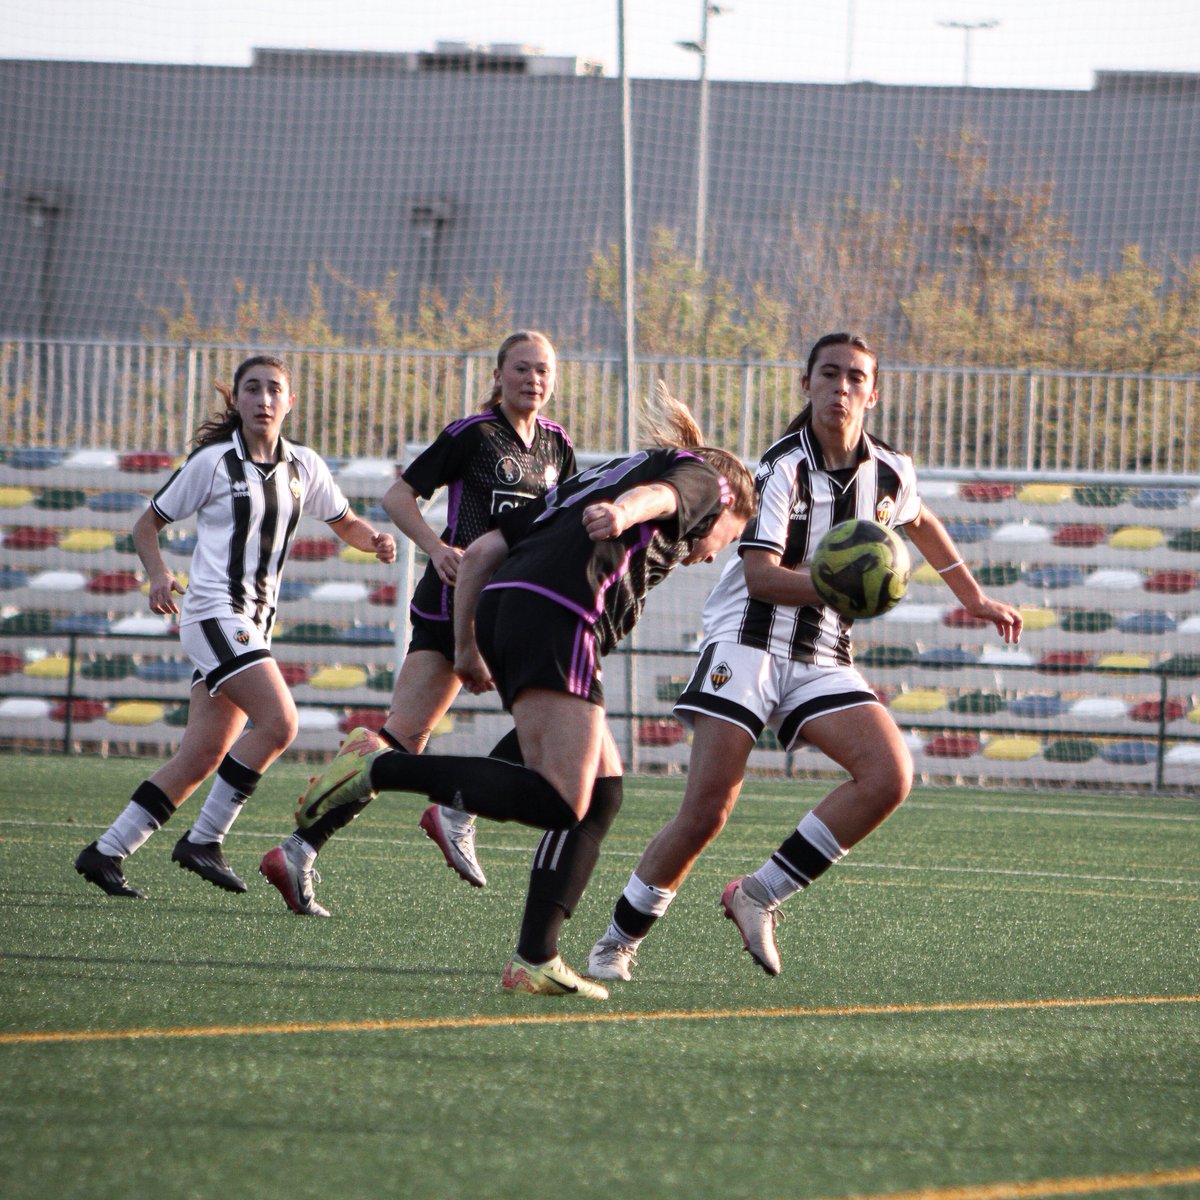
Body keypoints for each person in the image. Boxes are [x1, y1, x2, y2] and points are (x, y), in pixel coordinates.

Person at [585, 332, 1024, 982]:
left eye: (855, 377)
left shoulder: (890, 471)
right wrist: (838, 583)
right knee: (707, 810)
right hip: (747, 639)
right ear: (807, 384)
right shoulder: (783, 465)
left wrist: (976, 597)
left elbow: (922, 521)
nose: (841, 387)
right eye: (829, 374)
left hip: (821, 648)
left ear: (872, 393)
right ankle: (617, 941)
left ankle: (758, 893)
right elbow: (760, 578)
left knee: (888, 775)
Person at [293, 386, 757, 997]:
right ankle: (383, 768)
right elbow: (665, 497)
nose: (715, 551)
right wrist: (626, 516)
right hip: (560, 614)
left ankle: (535, 956)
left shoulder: (588, 480)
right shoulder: (706, 479)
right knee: (564, 800)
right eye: (730, 536)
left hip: (509, 609)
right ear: (729, 504)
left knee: (603, 792)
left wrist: (466, 646)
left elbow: (483, 550)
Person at [258, 331, 576, 915]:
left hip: (513, 606)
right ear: (500, 375)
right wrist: (435, 546)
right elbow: (399, 495)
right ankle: (455, 808)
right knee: (551, 714)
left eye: (544, 371)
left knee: (408, 740)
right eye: (522, 369)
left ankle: (299, 848)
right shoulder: (472, 434)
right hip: (457, 600)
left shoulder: (557, 445)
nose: (534, 379)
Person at [74, 355, 396, 898]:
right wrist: (157, 574)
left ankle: (105, 852)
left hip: (253, 624)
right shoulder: (215, 462)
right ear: (238, 403)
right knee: (280, 723)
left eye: (275, 389)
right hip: (213, 614)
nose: (264, 399)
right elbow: (147, 523)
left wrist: (376, 541)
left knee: (201, 754)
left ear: (290, 402)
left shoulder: (305, 467)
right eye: (253, 389)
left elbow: (345, 523)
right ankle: (205, 840)